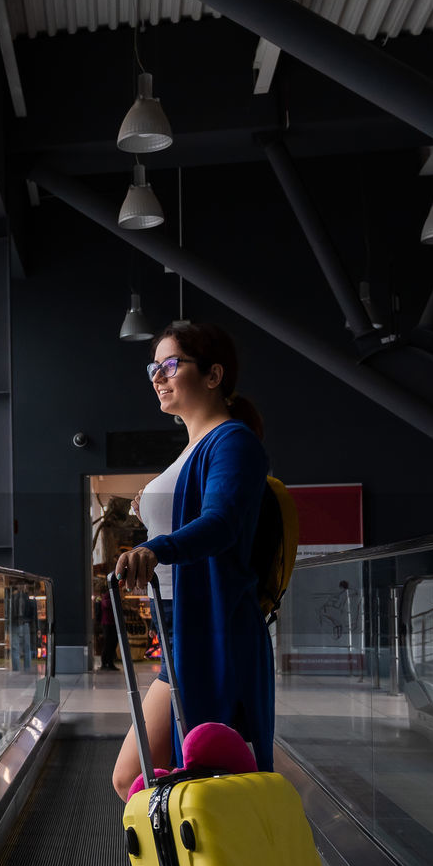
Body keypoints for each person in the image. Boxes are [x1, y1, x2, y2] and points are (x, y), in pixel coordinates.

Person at [111, 322, 273, 800]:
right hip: (188, 630)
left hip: (216, 631)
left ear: (213, 374)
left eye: (170, 365)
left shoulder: (233, 442)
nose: (157, 376)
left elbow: (221, 522)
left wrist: (154, 548)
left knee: (178, 779)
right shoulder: (195, 447)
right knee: (174, 779)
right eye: (153, 367)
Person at [9, 584, 37, 673]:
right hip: (25, 623)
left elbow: (9, 612)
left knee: (15, 647)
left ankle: (16, 669)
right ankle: (27, 668)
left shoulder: (12, 598)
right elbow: (33, 614)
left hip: (16, 623)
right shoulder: (28, 598)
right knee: (26, 647)